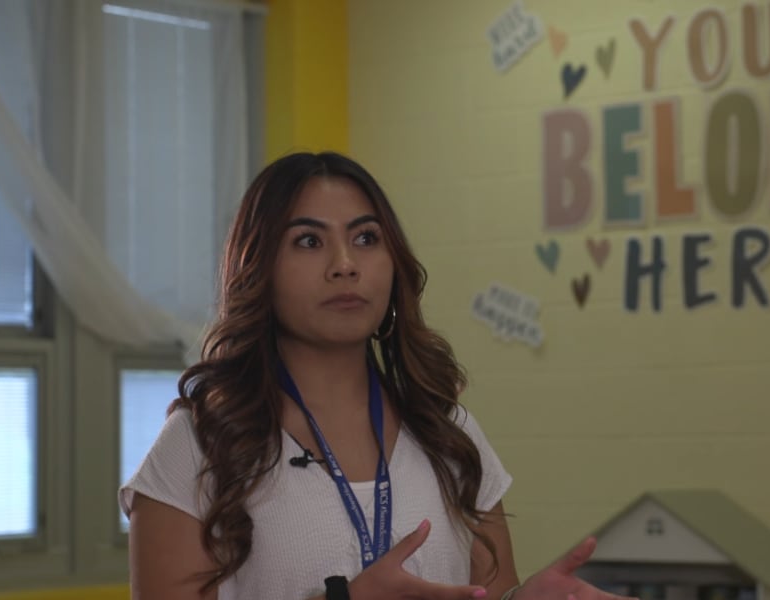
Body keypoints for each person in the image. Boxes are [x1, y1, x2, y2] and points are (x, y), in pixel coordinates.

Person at [121, 152, 626, 600]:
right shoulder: (197, 446)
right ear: (259, 270)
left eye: (366, 238)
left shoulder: (449, 434)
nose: (345, 265)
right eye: (308, 241)